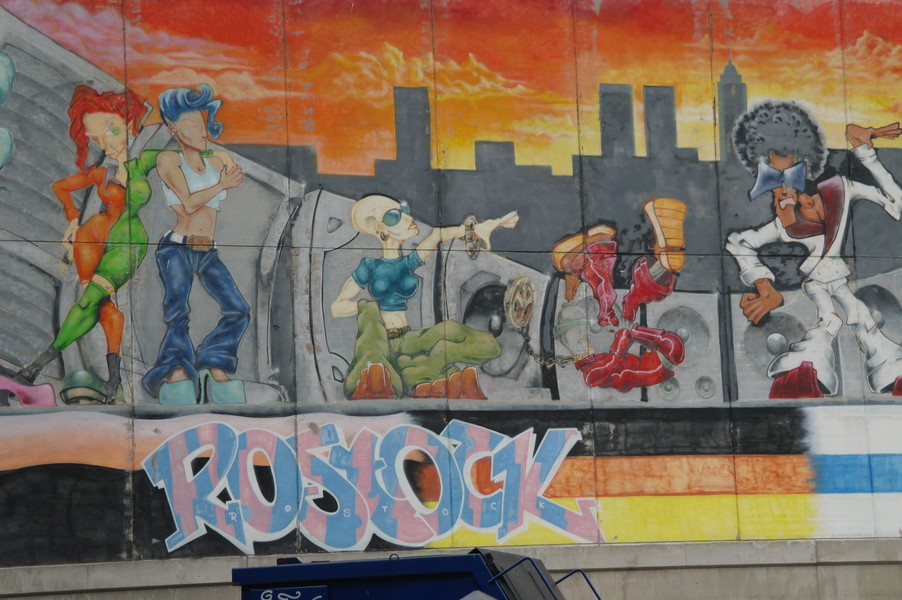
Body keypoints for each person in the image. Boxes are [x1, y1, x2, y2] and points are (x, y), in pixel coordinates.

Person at [726, 100, 902, 398]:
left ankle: (887, 363)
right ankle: (812, 361)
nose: (786, 195)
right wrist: (763, 285)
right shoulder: (786, 226)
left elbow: (896, 203)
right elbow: (739, 242)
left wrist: (867, 154)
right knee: (830, 320)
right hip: (819, 282)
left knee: (860, 316)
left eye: (791, 179)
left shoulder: (842, 190)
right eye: (776, 183)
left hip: (836, 277)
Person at [0, 85, 159, 404]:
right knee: (103, 309)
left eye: (112, 131)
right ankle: (113, 382)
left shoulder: (144, 162)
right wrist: (73, 219)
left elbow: (181, 152)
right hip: (94, 237)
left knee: (89, 304)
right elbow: (60, 186)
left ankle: (33, 370)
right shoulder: (103, 173)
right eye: (97, 138)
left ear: (130, 124)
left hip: (127, 244)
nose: (106, 143)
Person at [331, 194, 518, 399]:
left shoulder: (408, 263)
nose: (407, 218)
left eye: (405, 211)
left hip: (407, 338)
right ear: (380, 228)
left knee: (456, 332)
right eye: (395, 216)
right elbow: (337, 307)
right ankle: (385, 376)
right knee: (381, 357)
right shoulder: (369, 266)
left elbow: (436, 235)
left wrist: (479, 228)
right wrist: (369, 307)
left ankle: (425, 370)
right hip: (381, 340)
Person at [141, 84, 249, 405]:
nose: (202, 132)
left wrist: (220, 174)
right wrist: (221, 183)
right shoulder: (167, 160)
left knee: (238, 309)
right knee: (178, 313)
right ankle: (176, 371)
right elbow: (188, 203)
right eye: (191, 126)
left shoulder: (217, 159)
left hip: (207, 250)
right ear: (173, 129)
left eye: (202, 124)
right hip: (177, 248)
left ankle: (213, 362)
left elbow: (225, 172)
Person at [551, 198, 688, 391]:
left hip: (659, 354)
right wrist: (626, 333)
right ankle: (600, 254)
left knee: (626, 305)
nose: (583, 340)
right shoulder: (591, 374)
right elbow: (614, 358)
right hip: (665, 356)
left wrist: (625, 330)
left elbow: (615, 356)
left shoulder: (592, 364)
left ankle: (600, 254)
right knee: (627, 306)